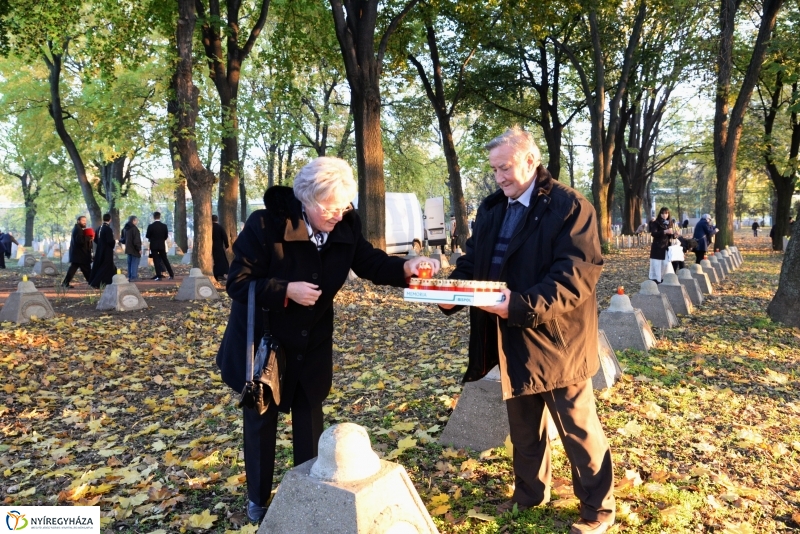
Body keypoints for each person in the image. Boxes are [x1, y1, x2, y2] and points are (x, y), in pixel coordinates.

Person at [215, 157, 440, 523]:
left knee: (309, 415)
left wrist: (405, 267)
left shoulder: (345, 224)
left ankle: (310, 493)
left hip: (311, 340)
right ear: (306, 199)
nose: (337, 215)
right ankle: (258, 500)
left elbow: (370, 263)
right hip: (265, 341)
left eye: (343, 206)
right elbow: (237, 282)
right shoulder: (266, 224)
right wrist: (286, 290)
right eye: (329, 208)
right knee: (261, 418)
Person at [439, 128, 614, 534]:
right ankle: (530, 493)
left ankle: (599, 511)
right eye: (494, 169)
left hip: (557, 339)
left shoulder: (570, 206)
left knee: (578, 429)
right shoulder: (492, 208)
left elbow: (575, 277)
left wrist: (519, 305)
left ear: (531, 160)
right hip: (511, 335)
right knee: (523, 427)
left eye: (505, 167)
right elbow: (475, 261)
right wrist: (451, 290)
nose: (498, 176)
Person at [61, 216, 93, 287]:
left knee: (75, 269)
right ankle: (92, 282)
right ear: (78, 221)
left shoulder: (78, 228)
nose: (85, 222)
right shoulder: (78, 229)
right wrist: (89, 237)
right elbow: (80, 240)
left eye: (85, 220)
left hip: (78, 254)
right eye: (83, 220)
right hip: (80, 255)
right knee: (86, 269)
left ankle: (65, 283)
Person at [88, 213, 116, 288]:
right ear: (110, 219)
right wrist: (114, 242)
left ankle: (110, 280)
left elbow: (96, 240)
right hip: (107, 251)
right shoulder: (108, 229)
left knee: (104, 265)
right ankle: (95, 282)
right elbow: (110, 241)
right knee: (105, 266)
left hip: (100, 250)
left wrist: (101, 244)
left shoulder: (98, 228)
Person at [146, 212, 173, 281]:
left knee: (156, 260)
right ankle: (171, 274)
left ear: (153, 217)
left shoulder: (151, 226)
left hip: (154, 245)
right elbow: (166, 236)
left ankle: (159, 276)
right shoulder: (164, 226)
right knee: (165, 260)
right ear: (160, 217)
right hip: (161, 245)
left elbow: (147, 235)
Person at [649, 207, 674, 283]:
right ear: (660, 214)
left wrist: (674, 234)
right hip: (657, 247)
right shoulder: (656, 223)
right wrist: (664, 231)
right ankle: (656, 280)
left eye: (666, 213)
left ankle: (664, 279)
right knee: (657, 264)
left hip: (665, 247)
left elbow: (669, 236)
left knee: (666, 264)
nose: (664, 215)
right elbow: (654, 233)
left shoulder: (669, 223)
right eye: (662, 213)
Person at [121, 215, 142, 282]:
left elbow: (123, 239)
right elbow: (136, 240)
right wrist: (139, 249)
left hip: (128, 248)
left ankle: (130, 276)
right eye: (136, 220)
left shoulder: (125, 229)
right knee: (135, 262)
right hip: (134, 249)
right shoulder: (134, 229)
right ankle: (134, 276)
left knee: (130, 263)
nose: (137, 222)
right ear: (133, 221)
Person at [211, 214, 230, 282]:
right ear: (217, 220)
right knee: (221, 261)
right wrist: (227, 245)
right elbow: (225, 236)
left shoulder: (209, 228)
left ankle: (215, 273)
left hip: (211, 247)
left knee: (214, 261)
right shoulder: (220, 227)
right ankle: (221, 274)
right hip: (219, 246)